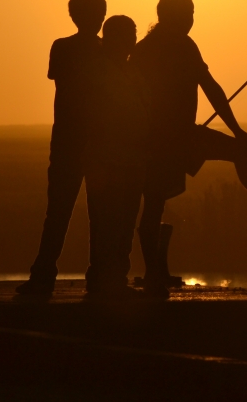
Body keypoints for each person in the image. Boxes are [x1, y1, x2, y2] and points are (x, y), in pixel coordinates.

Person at [129, 0, 247, 298]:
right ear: (167, 16)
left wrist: (237, 131)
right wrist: (235, 130)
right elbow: (206, 89)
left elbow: (211, 88)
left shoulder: (180, 46)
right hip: (157, 142)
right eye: (186, 14)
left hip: (185, 136)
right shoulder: (148, 52)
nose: (190, 20)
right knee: (153, 204)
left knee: (238, 152)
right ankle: (153, 273)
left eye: (192, 14)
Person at [16, 0, 107, 296]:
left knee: (60, 212)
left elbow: (62, 81)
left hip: (71, 142)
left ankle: (44, 277)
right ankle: (96, 276)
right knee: (93, 212)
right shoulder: (105, 52)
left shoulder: (64, 47)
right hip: (90, 143)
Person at [83, 15, 148, 299]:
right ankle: (103, 279)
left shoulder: (130, 71)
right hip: (107, 161)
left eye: (133, 34)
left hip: (130, 160)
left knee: (123, 222)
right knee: (107, 222)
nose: (133, 40)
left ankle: (113, 278)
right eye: (128, 35)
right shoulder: (100, 71)